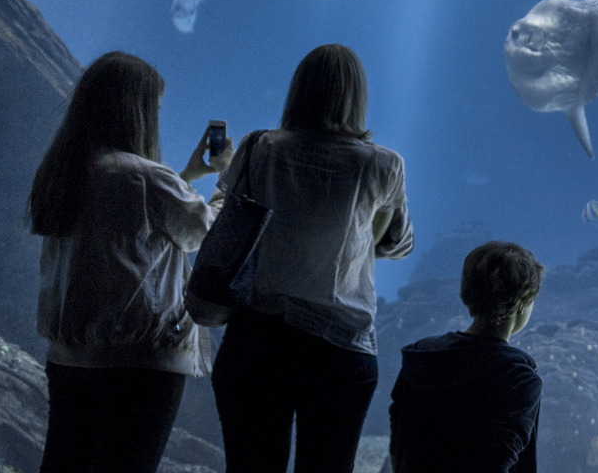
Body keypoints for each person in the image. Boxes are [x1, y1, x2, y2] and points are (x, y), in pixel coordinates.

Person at [210, 43, 414, 473]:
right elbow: (397, 244)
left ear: (297, 90)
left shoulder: (256, 147)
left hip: (256, 342)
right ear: (358, 96)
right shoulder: (383, 165)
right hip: (338, 349)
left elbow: (228, 218)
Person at [29, 51, 230, 473]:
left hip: (68, 360)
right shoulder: (147, 178)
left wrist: (186, 177)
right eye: (153, 110)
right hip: (138, 365)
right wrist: (226, 178)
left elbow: (136, 225)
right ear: (134, 111)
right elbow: (205, 234)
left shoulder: (65, 172)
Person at [389, 241, 546, 473]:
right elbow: (497, 461)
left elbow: (398, 439)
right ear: (523, 303)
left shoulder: (421, 355)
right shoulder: (519, 378)